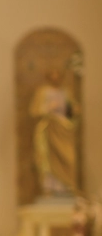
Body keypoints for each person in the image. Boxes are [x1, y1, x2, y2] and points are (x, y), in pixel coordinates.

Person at [30, 68, 79, 197]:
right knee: (48, 158)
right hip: (49, 128)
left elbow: (72, 110)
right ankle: (50, 187)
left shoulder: (66, 92)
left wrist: (73, 109)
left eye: (58, 75)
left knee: (68, 156)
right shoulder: (43, 92)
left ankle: (67, 184)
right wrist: (48, 107)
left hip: (64, 129)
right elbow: (34, 110)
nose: (55, 78)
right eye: (53, 75)